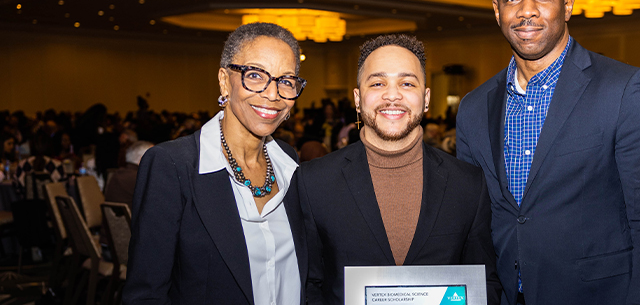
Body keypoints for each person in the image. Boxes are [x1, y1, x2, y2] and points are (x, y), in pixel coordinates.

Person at [455, 0, 640, 304]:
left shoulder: (624, 90)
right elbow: (474, 222)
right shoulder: (472, 108)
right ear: (498, 11)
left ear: (568, 4)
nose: (526, 10)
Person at [295, 34, 501, 305]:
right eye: (378, 83)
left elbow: (484, 283)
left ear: (426, 98)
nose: (392, 95)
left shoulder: (469, 184)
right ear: (357, 99)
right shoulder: (314, 182)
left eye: (406, 83)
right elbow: (310, 286)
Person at [124, 23, 308, 305]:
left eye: (285, 81)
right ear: (224, 80)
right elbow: (146, 294)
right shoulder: (172, 166)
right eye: (255, 75)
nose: (273, 95)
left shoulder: (289, 162)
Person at [104, 141, 153, 209]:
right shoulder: (139, 178)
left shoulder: (118, 173)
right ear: (143, 159)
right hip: (131, 218)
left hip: (114, 218)